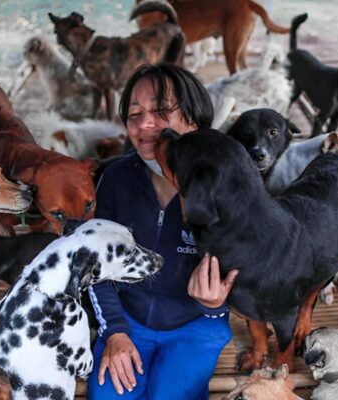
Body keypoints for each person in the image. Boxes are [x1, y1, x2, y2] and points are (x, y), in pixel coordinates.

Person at [87, 63, 239, 400]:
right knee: (109, 396)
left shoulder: (226, 186)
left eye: (160, 110)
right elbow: (94, 266)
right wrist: (114, 331)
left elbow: (252, 269)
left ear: (193, 121)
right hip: (128, 321)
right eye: (134, 114)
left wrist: (215, 305)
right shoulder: (115, 180)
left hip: (197, 325)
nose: (145, 124)